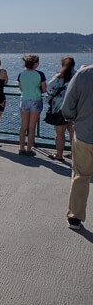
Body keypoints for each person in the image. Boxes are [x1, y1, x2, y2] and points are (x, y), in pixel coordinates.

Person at [62, 64, 93, 230]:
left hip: (84, 134)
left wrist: (73, 118)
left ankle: (75, 218)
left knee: (81, 175)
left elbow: (67, 106)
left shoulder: (82, 74)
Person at [45, 56, 76, 161]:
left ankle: (59, 154)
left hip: (58, 108)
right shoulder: (77, 75)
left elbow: (49, 89)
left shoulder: (58, 77)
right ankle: (74, 154)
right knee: (72, 131)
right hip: (74, 108)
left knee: (59, 132)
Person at [17, 54, 46, 156]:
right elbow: (44, 89)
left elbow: (21, 89)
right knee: (32, 126)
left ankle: (21, 148)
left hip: (24, 100)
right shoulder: (40, 74)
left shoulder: (21, 74)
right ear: (35, 64)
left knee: (23, 125)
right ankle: (29, 149)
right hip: (36, 100)